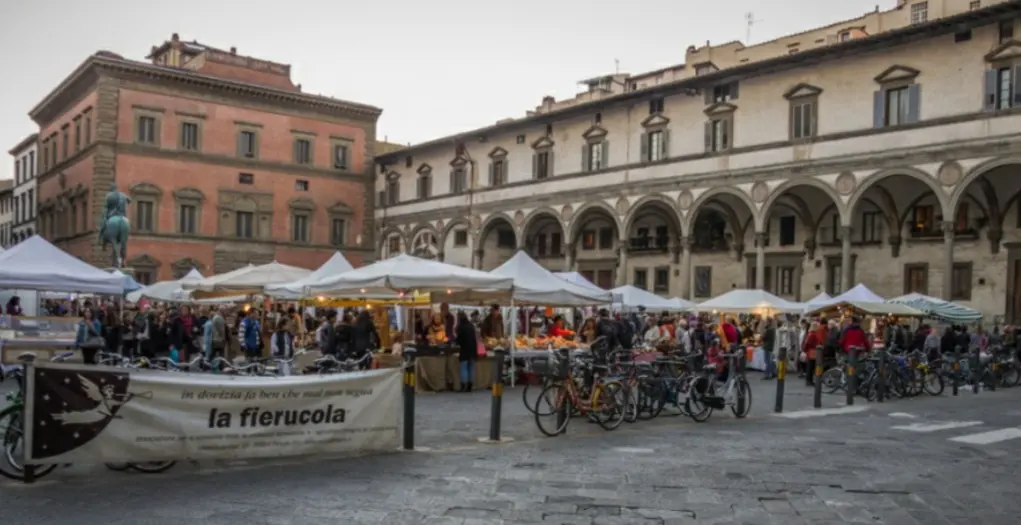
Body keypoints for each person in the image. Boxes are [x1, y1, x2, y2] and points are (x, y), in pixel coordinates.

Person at [454, 311, 478, 392]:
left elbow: (459, 340)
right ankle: (470, 386)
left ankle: (463, 385)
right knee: (471, 367)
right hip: (473, 350)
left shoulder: (461, 327)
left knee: (463, 368)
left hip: (464, 350)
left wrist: (455, 340)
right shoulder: (471, 325)